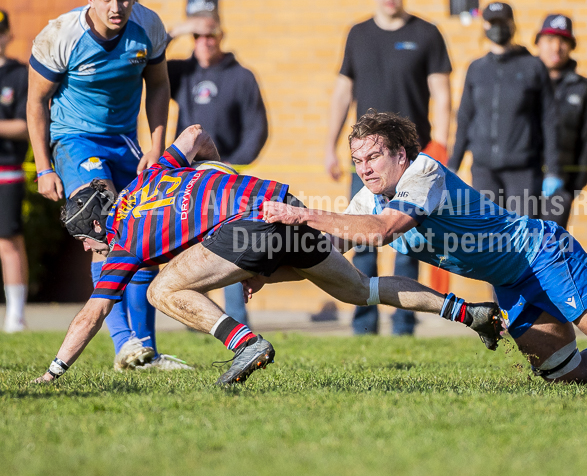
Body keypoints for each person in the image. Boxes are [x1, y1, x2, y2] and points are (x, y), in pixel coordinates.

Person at [264, 110, 587, 385]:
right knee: (569, 375)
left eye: (374, 156)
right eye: (357, 160)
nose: (365, 168)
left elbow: (380, 233)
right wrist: (266, 268)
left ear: (401, 154)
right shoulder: (365, 197)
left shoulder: (423, 173)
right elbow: (331, 247)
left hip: (541, 252)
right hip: (512, 281)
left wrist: (301, 212)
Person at [33, 125, 502, 385]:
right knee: (360, 289)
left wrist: (53, 374)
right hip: (282, 207)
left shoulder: (123, 239)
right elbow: (195, 134)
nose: (88, 247)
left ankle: (246, 344)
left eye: (84, 238)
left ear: (97, 224)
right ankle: (471, 313)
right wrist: (218, 173)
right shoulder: (152, 174)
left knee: (162, 288)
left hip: (252, 225)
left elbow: (89, 316)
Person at [27, 0, 185, 369]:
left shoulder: (148, 27)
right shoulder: (60, 36)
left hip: (125, 141)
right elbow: (35, 101)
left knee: (146, 234)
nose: (116, 7)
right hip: (75, 140)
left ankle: (144, 352)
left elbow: (159, 84)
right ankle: (123, 343)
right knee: (101, 229)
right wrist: (44, 167)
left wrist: (156, 147)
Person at [323, 0, 452, 336]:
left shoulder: (427, 33)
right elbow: (342, 93)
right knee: (361, 238)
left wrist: (440, 143)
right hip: (366, 156)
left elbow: (441, 93)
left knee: (408, 244)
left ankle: (404, 324)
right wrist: (329, 146)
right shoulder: (358, 34)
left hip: (409, 160)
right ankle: (363, 324)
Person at [167, 11, 269, 327]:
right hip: (186, 176)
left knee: (231, 245)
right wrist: (180, 29)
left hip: (226, 178)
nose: (204, 42)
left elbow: (257, 128)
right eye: (197, 36)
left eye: (210, 35)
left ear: (221, 36)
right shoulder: (182, 73)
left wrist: (232, 164)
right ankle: (198, 315)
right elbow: (148, 62)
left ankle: (237, 317)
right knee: (186, 245)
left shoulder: (241, 76)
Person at [448, 2, 554, 218]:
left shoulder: (532, 66)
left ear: (512, 25)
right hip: (484, 170)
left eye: (503, 22)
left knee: (523, 237)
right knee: (487, 238)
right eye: (492, 23)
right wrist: (453, 166)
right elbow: (466, 117)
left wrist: (553, 169)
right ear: (484, 26)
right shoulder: (476, 68)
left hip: (523, 169)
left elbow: (549, 120)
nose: (498, 28)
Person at [534, 13, 587, 227]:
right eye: (550, 40)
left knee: (550, 248)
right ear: (538, 43)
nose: (556, 47)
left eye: (563, 41)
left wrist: (573, 188)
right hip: (521, 180)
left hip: (560, 185)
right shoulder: (522, 83)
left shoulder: (582, 90)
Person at [0, 10, 29, 333]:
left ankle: (15, 317)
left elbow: (24, 124)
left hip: (6, 170)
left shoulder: (18, 75)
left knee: (8, 240)